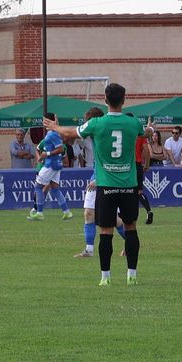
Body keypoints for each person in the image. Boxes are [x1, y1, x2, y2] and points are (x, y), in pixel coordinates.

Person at [46, 83, 143, 287]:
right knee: (131, 227)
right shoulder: (133, 123)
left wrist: (55, 127)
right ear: (124, 100)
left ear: (105, 100)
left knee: (105, 232)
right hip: (128, 185)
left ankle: (105, 277)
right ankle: (132, 275)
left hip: (106, 185)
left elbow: (70, 133)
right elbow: (146, 132)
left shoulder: (97, 124)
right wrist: (151, 129)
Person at [74, 107, 104, 258]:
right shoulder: (93, 137)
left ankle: (130, 242)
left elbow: (109, 161)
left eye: (87, 122)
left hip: (103, 179)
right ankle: (89, 250)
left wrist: (98, 179)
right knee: (89, 213)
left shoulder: (103, 138)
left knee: (112, 220)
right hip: (97, 176)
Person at [28, 119, 72, 220]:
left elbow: (60, 149)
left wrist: (46, 154)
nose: (44, 124)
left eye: (46, 122)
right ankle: (66, 212)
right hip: (56, 164)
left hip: (50, 164)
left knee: (38, 187)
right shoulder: (53, 134)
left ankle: (39, 212)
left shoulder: (53, 134)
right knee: (55, 189)